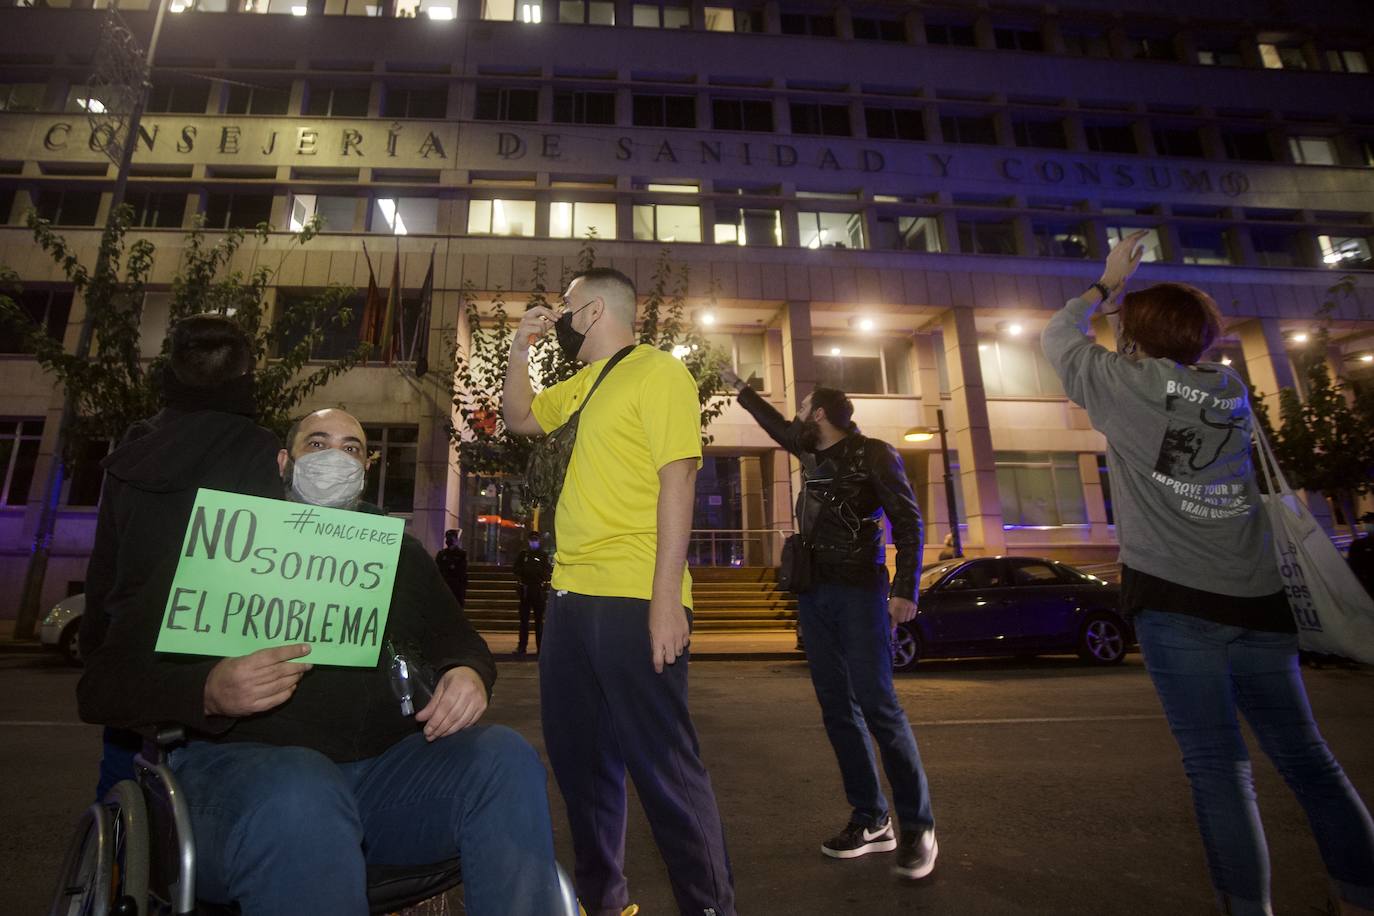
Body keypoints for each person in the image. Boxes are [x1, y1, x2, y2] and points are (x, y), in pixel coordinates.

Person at [77, 407, 566, 915]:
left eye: (351, 448)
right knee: (304, 791)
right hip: (246, 782)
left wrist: (469, 674)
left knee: (505, 759)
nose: (336, 457)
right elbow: (103, 684)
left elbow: (460, 642)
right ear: (285, 461)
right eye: (318, 443)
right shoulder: (219, 543)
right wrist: (206, 690)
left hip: (383, 783)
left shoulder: (396, 551)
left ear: (367, 467)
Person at [1041, 230, 1374, 916]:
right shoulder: (1228, 389)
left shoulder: (1121, 385)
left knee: (1219, 769)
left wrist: (1107, 284)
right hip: (1257, 602)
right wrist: (1130, 324)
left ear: (1133, 341)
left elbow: (1057, 333)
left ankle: (1247, 907)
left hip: (1177, 603)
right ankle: (1362, 890)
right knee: (1307, 757)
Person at [502, 267, 735, 916]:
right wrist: (521, 346)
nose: (561, 322)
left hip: (633, 594)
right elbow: (518, 417)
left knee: (665, 771)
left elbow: (678, 481)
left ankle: (709, 905)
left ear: (595, 309)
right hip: (569, 598)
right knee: (582, 768)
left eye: (567, 310)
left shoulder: (657, 372)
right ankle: (606, 902)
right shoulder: (580, 386)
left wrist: (666, 598)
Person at [718, 371, 937, 880]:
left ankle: (919, 827)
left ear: (819, 414)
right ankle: (871, 819)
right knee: (837, 710)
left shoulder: (876, 454)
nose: (796, 417)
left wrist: (906, 588)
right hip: (815, 593)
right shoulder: (811, 451)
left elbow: (908, 521)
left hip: (861, 593)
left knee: (879, 708)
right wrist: (743, 391)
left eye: (803, 408)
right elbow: (778, 427)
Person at [80, 313, 284, 800]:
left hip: (134, 655)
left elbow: (103, 563)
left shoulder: (135, 446)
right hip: (209, 658)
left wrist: (98, 647)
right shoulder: (259, 450)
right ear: (246, 375)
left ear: (170, 370)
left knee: (119, 792)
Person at [512, 533, 551, 657]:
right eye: (532, 540)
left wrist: (537, 575)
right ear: (529, 541)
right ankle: (522, 647)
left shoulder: (543, 555)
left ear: (539, 541)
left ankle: (541, 648)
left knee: (539, 621)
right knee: (524, 621)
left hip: (538, 590)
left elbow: (547, 570)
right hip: (526, 590)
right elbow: (516, 568)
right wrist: (524, 574)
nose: (533, 542)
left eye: (535, 540)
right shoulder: (524, 554)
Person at [436, 528, 469, 606]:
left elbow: (462, 571)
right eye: (448, 537)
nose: (449, 540)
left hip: (456, 587)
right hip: (444, 585)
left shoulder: (461, 554)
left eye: (451, 537)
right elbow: (438, 569)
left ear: (456, 539)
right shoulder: (442, 554)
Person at [1348, 512, 1374, 597]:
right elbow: (1354, 568)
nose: (1368, 525)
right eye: (1366, 522)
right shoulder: (1358, 544)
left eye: (1371, 522)